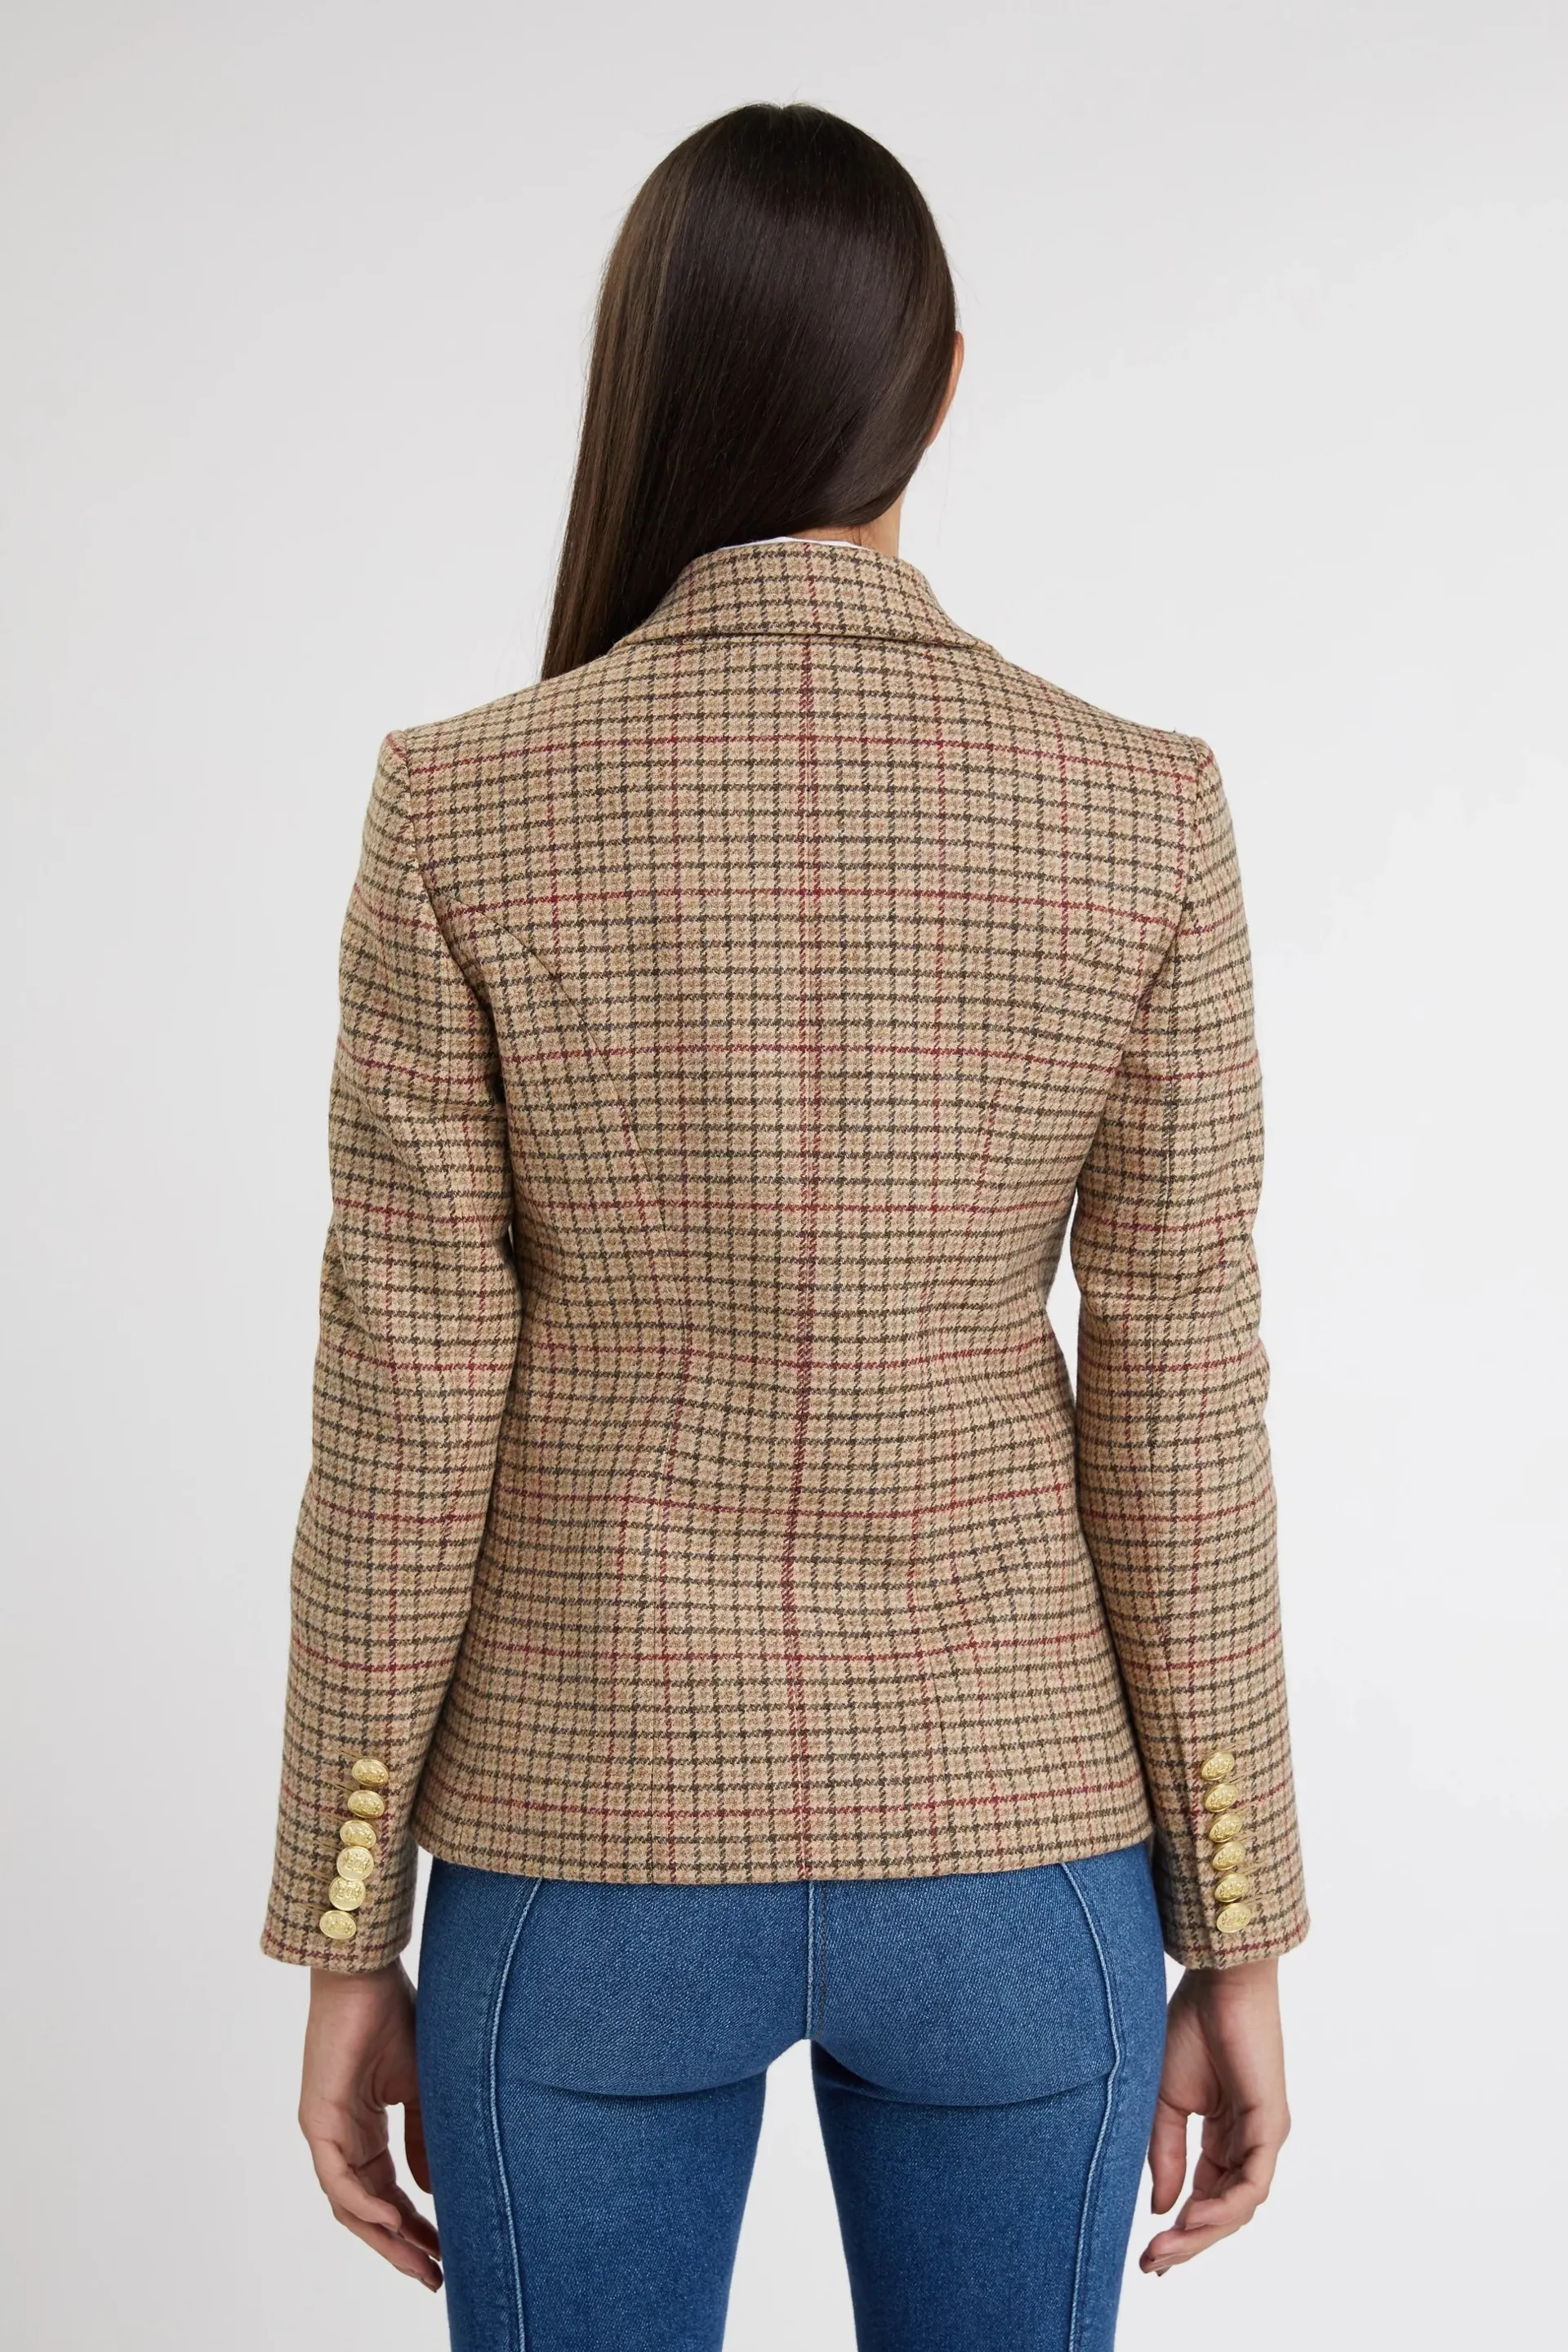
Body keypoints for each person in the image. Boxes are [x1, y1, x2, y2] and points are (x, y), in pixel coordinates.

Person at [261, 99, 1308, 2352]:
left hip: (581, 1855)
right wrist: (1237, 1920)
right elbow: (1180, 1400)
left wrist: (347, 1919)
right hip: (1019, 1847)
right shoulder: (1137, 811)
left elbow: (403, 1411)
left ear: (647, 379)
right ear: (942, 383)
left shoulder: (464, 804)